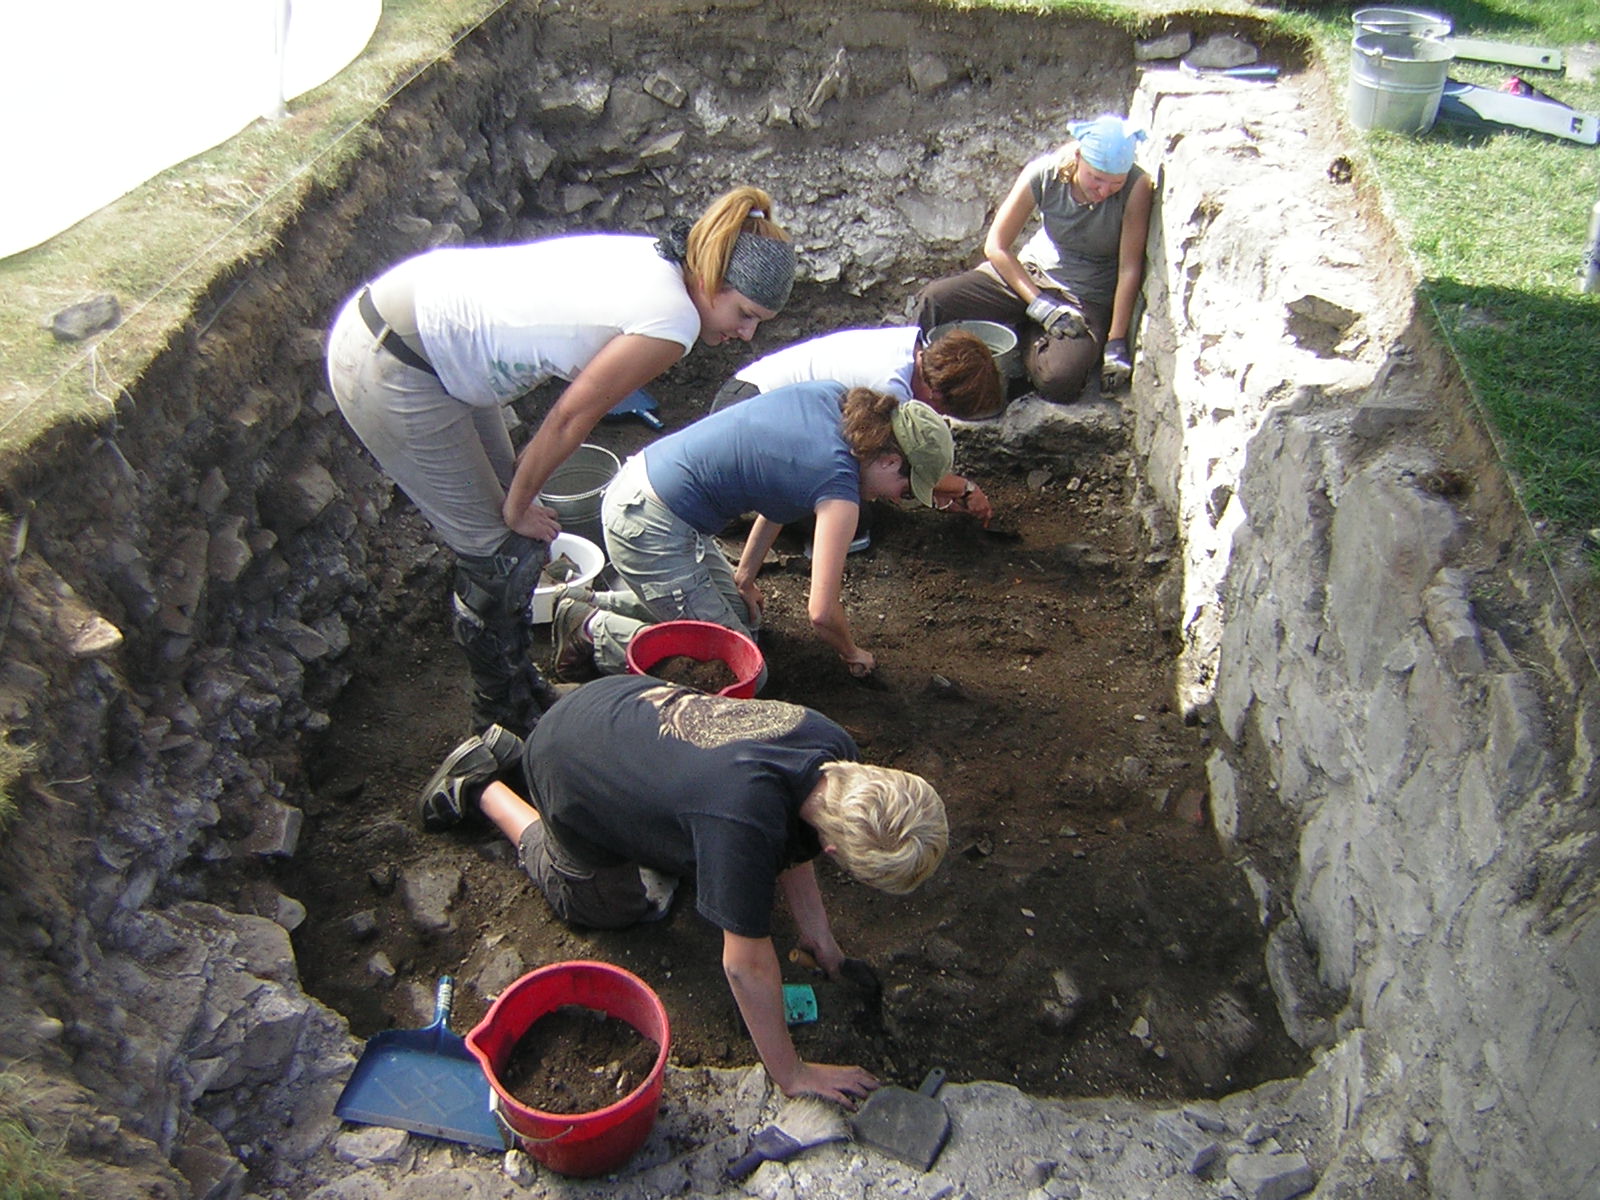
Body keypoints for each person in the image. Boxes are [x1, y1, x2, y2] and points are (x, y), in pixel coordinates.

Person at [325, 188, 796, 731]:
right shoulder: (673, 322)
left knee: (518, 534)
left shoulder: (664, 262)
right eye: (745, 314)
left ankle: (523, 687)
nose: (746, 334)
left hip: (425, 331)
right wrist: (518, 505)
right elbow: (570, 419)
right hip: (396, 360)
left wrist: (521, 501)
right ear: (714, 279)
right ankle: (501, 719)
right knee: (499, 553)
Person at [416, 674, 949, 1107]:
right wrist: (793, 1073)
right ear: (837, 852)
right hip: (564, 763)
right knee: (610, 905)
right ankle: (484, 785)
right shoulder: (742, 823)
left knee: (699, 861)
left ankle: (516, 749)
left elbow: (795, 841)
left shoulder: (834, 752)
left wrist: (822, 942)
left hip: (614, 704)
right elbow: (745, 966)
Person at [552, 383, 954, 685]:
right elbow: (821, 613)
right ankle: (593, 631)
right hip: (649, 526)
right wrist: (852, 651)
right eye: (905, 489)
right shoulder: (839, 488)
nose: (899, 501)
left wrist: (744, 577)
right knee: (739, 673)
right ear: (889, 460)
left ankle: (585, 602)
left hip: (654, 493)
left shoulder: (836, 404)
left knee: (743, 615)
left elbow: (776, 489)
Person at [912, 114, 1154, 404]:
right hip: (1030, 276)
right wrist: (1039, 305)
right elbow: (996, 245)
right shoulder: (1045, 174)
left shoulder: (1137, 187)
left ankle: (1023, 338)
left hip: (1084, 298)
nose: (1104, 191)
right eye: (1096, 179)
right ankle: (915, 380)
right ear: (1078, 158)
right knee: (935, 301)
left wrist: (1116, 342)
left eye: (1115, 183)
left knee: (1059, 381)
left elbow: (1129, 269)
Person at [706, 325, 1002, 542]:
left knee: (875, 492)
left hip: (756, 398)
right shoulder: (889, 387)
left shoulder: (911, 344)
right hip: (748, 414)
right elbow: (896, 458)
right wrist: (964, 488)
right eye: (943, 409)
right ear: (936, 393)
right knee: (856, 521)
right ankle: (734, 510)